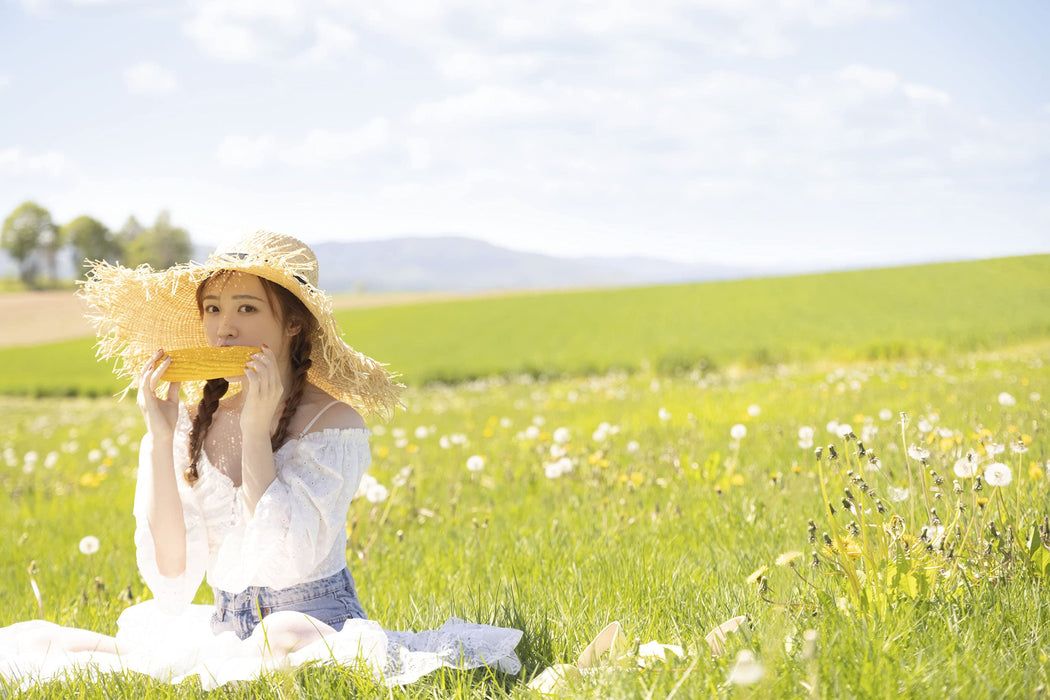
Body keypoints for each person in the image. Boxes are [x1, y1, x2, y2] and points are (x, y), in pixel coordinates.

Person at [0, 232, 521, 690]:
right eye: (213, 309)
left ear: (293, 323)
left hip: (311, 625)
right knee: (47, 643)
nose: (224, 328)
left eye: (246, 308)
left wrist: (255, 431)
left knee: (282, 634)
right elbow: (173, 577)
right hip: (227, 628)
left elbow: (286, 560)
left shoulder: (334, 423)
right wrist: (160, 441)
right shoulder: (188, 422)